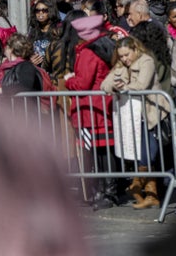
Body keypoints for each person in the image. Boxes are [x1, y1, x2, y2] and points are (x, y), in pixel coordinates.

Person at [101, 37, 171, 209]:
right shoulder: (121, 65)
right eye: (121, 56)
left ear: (135, 49)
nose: (125, 59)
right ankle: (145, 191)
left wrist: (124, 85)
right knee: (141, 154)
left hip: (151, 113)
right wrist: (115, 84)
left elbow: (142, 85)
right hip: (132, 116)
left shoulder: (146, 61)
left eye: (127, 55)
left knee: (149, 152)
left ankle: (144, 189)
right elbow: (105, 84)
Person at [64, 14, 116, 210]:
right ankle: (107, 190)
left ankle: (100, 191)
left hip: (90, 110)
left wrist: (69, 80)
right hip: (102, 108)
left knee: (92, 153)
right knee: (105, 151)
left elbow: (83, 82)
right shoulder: (104, 47)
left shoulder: (88, 53)